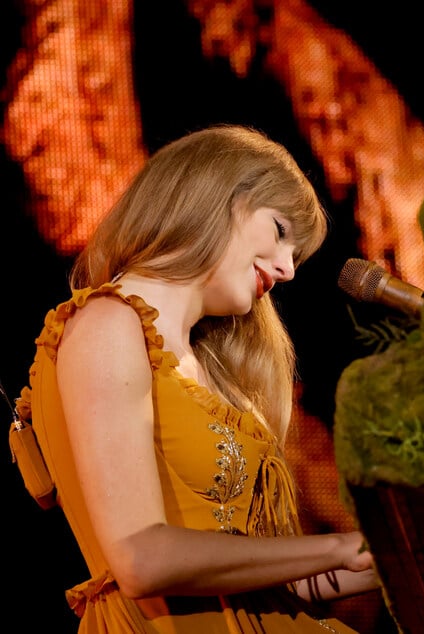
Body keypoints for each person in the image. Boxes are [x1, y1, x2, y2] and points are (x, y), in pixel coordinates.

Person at [15, 125, 378, 632]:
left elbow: (275, 581)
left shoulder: (210, 366)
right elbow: (140, 559)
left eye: (296, 254)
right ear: (219, 196)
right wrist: (339, 544)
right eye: (279, 232)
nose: (287, 269)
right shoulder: (106, 325)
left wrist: (387, 560)